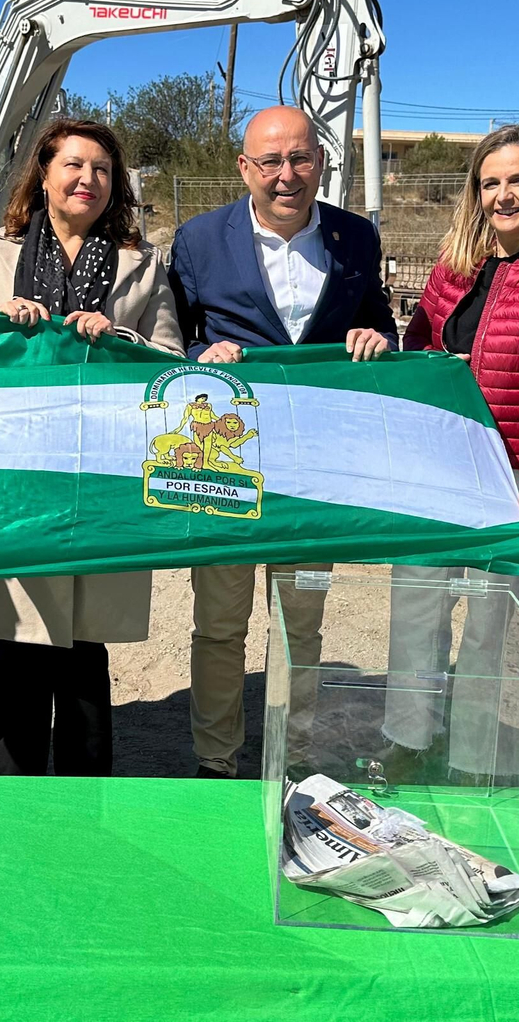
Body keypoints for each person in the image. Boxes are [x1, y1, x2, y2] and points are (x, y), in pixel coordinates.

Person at [0, 118, 183, 775]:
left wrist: (119, 342)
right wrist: (4, 330)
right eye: (74, 165)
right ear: (43, 174)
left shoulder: (141, 261)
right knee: (18, 643)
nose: (89, 179)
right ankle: (5, 798)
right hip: (17, 481)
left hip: (100, 481)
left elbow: (170, 365)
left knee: (84, 652)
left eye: (103, 169)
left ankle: (84, 797)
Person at [169, 105, 397, 778]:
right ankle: (217, 761)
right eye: (270, 160)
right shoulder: (199, 239)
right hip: (224, 463)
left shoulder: (356, 238)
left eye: (299, 158)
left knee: (302, 623)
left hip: (316, 473)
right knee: (219, 624)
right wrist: (201, 352)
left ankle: (293, 758)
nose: (286, 174)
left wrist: (375, 339)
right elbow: (172, 339)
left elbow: (378, 321)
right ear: (245, 168)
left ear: (320, 162)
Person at [383, 124, 519, 781]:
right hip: (434, 472)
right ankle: (410, 739)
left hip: (505, 478)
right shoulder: (453, 263)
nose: (504, 194)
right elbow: (414, 352)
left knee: (490, 626)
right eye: (491, 181)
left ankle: (476, 758)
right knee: (415, 609)